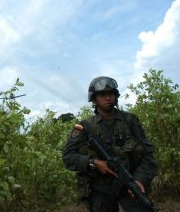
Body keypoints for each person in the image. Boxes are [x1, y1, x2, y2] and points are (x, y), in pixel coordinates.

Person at [62, 76, 158, 212]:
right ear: (94, 99)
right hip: (101, 190)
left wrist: (139, 180)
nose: (108, 98)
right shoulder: (85, 127)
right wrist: (94, 163)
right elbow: (68, 157)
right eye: (102, 95)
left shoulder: (130, 121)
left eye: (111, 94)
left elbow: (148, 155)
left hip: (130, 184)